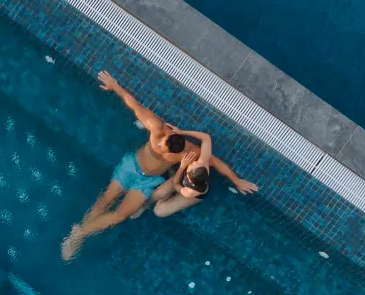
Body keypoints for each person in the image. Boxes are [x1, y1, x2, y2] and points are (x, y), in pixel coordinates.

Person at [61, 71, 257, 260]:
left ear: (176, 151)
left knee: (121, 216)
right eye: (161, 144)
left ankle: (81, 232)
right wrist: (115, 87)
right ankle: (77, 236)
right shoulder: (157, 129)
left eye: (166, 150)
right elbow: (135, 106)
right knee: (106, 199)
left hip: (146, 182)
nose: (161, 148)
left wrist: (236, 180)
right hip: (131, 167)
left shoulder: (187, 151)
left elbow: (214, 161)